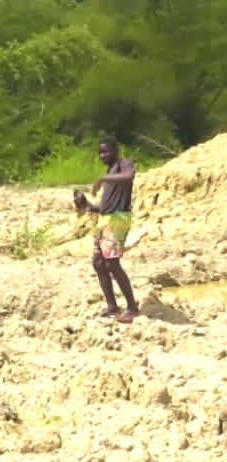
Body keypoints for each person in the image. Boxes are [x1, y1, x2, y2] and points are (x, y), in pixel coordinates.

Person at [87, 137, 140, 323]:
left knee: (112, 263)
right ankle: (112, 306)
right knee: (98, 262)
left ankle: (132, 308)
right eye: (100, 152)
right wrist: (88, 205)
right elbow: (105, 206)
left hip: (117, 220)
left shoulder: (123, 165)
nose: (102, 155)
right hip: (105, 220)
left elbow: (129, 176)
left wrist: (102, 179)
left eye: (106, 151)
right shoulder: (110, 172)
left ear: (116, 151)